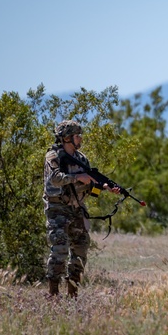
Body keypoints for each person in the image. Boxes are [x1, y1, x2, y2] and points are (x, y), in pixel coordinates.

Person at [42, 120, 120, 298]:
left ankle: (72, 294)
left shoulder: (81, 159)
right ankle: (53, 295)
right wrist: (79, 177)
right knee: (59, 249)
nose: (80, 139)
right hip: (57, 208)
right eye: (77, 136)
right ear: (67, 138)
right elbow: (55, 178)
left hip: (77, 209)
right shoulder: (53, 156)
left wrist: (104, 187)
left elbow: (90, 188)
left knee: (81, 249)